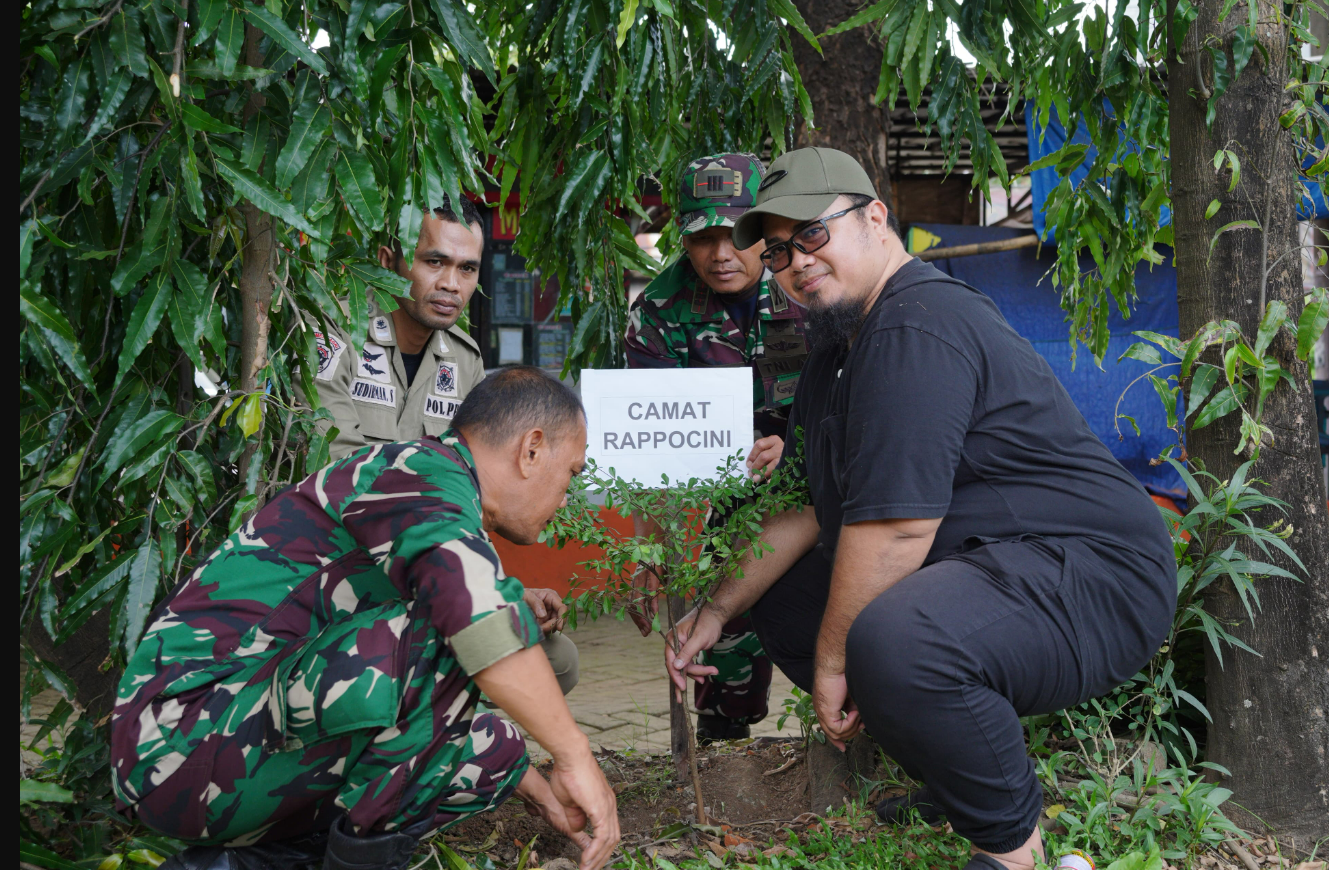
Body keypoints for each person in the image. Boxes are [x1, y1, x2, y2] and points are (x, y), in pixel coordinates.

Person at [664, 148, 1176, 870]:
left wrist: (840, 660)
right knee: (787, 602)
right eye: (777, 250)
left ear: (875, 218)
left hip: (1091, 576)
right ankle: (958, 777)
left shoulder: (917, 321)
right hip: (994, 567)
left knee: (893, 639)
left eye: (812, 233)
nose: (794, 262)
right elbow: (812, 506)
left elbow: (897, 527)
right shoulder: (834, 351)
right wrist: (715, 611)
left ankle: (1010, 847)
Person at [112, 367, 619, 870]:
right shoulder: (419, 471)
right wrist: (576, 757)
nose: (567, 495)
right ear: (531, 450)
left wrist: (539, 787)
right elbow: (473, 619)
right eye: (571, 472)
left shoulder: (438, 492)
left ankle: (263, 860)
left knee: (499, 753)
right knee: (450, 637)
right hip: (177, 748)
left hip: (239, 743)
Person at [303, 195, 579, 695]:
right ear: (390, 261)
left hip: (417, 573)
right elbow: (340, 480)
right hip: (330, 576)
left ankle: (443, 757)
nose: (452, 284)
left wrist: (499, 589)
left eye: (467, 269)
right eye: (434, 262)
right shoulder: (334, 330)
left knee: (555, 658)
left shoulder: (464, 359)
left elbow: (471, 495)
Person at [623, 152, 810, 742]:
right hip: (716, 491)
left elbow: (855, 395)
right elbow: (654, 444)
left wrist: (797, 446)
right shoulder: (657, 312)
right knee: (723, 623)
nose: (720, 253)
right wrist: (649, 550)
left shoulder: (808, 285)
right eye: (703, 237)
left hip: (818, 474)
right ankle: (723, 739)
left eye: (734, 235)